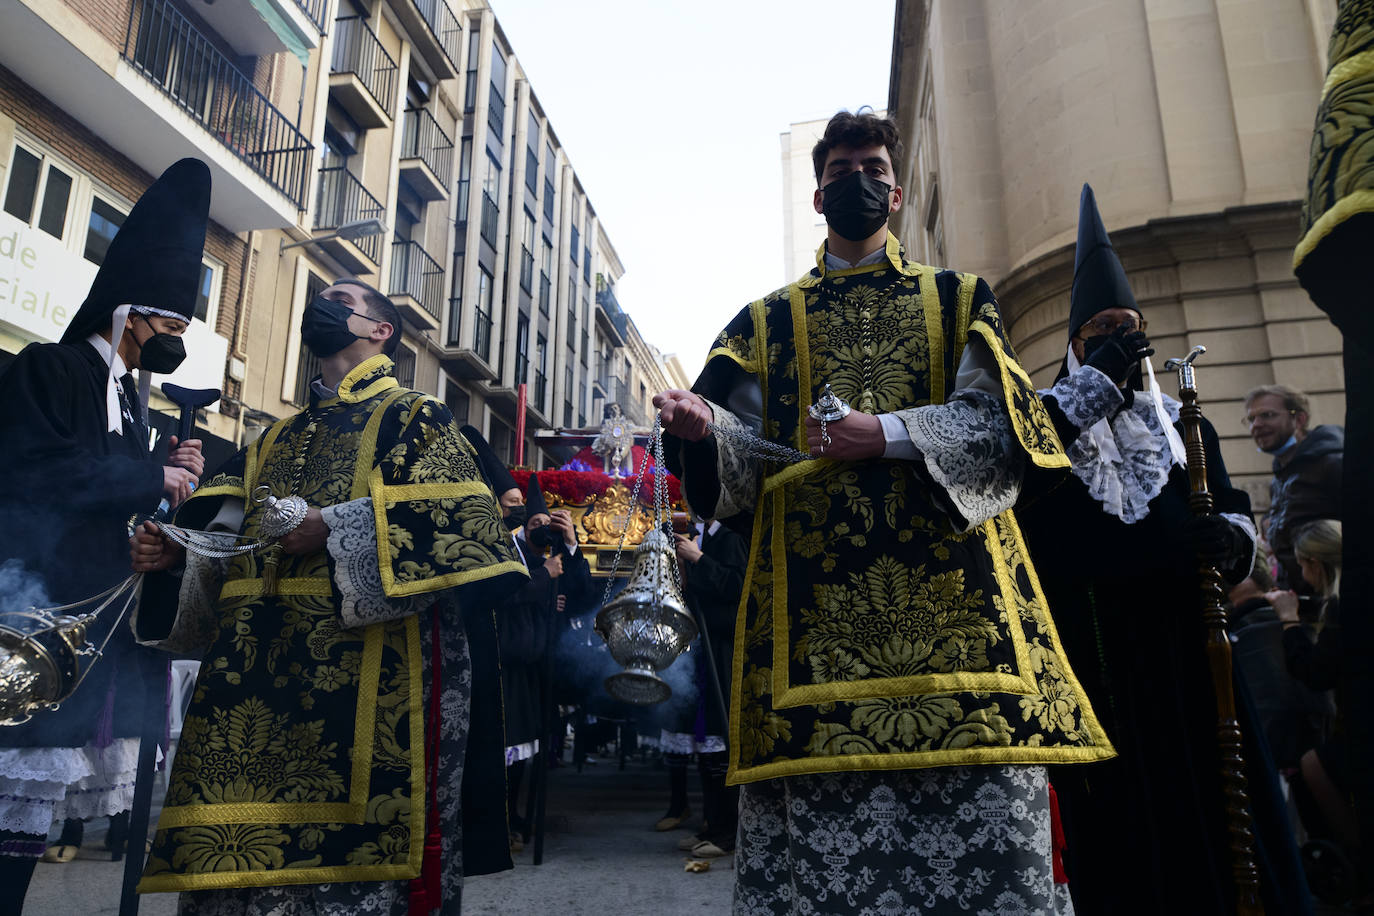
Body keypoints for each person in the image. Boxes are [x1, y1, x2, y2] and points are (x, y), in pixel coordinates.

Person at [656, 109, 1113, 914]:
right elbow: (744, 459)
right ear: (818, 195)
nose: (855, 182)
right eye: (838, 171)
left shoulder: (959, 296)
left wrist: (892, 435)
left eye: (870, 168)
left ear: (895, 192)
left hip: (958, 608)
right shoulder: (764, 321)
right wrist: (704, 430)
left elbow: (1005, 427)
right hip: (814, 621)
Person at [128, 278, 528, 915]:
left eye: (342, 300)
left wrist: (336, 527)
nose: (322, 305)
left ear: (380, 332)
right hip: (256, 677)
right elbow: (223, 533)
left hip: (366, 676)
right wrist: (178, 553)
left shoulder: (415, 416)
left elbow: (468, 530)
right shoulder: (276, 436)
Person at [1018, 183, 1308, 915]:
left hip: (1192, 647)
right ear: (1078, 345)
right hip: (1104, 654)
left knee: (1221, 804)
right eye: (1102, 330)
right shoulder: (1051, 428)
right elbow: (1029, 511)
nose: (1120, 339)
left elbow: (1240, 517)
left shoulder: (1186, 426)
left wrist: (1230, 541)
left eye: (1129, 326)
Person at [0, 158, 207, 912]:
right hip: (22, 619)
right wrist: (151, 480)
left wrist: (154, 517)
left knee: (26, 829)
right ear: (127, 315)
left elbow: (110, 503)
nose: (176, 339)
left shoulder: (132, 403)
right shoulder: (48, 367)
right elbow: (38, 473)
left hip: (88, 634)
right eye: (170, 324)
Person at [1266, 519, 1362, 897]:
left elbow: (1315, 672)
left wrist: (1289, 622)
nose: (1301, 574)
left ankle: (1358, 856)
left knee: (1311, 766)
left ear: (1317, 565)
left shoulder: (1339, 607)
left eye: (1303, 565)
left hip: (1356, 727)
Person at [663, 516, 747, 860]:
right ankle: (711, 824)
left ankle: (728, 833)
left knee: (719, 745)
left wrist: (699, 560)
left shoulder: (730, 538)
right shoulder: (702, 539)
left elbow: (739, 586)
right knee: (704, 745)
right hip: (702, 650)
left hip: (724, 653)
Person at [1243, 384, 1343, 589]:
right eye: (1251, 419)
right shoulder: (1279, 479)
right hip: (1299, 600)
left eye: (1267, 415)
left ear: (1299, 419)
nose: (1257, 425)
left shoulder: (1333, 463)